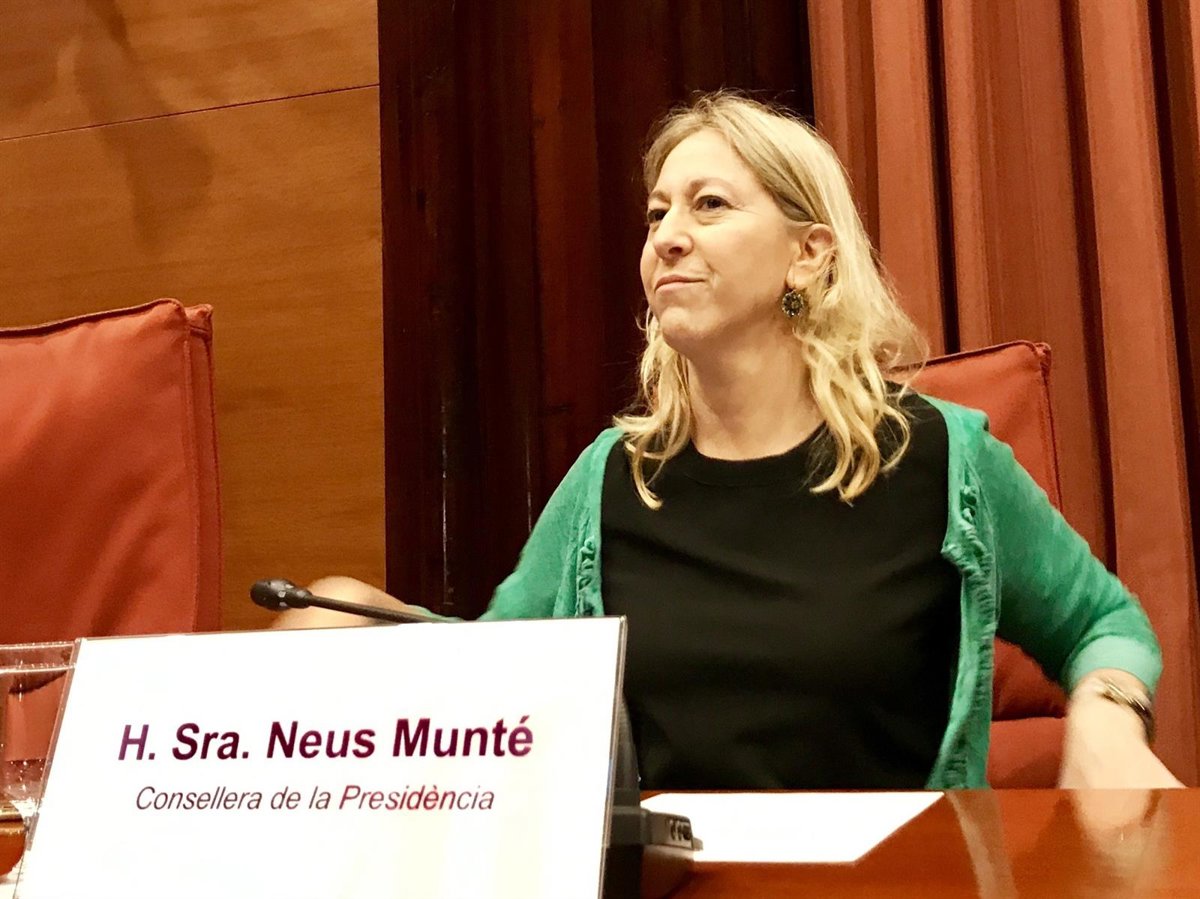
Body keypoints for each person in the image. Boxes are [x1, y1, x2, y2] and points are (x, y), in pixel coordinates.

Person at [276, 92, 1178, 791]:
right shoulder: (613, 478)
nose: (668, 237)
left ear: (808, 253)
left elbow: (1104, 623)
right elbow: (505, 670)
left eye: (708, 206)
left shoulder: (945, 461)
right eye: (656, 214)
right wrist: (367, 621)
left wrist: (1106, 712)